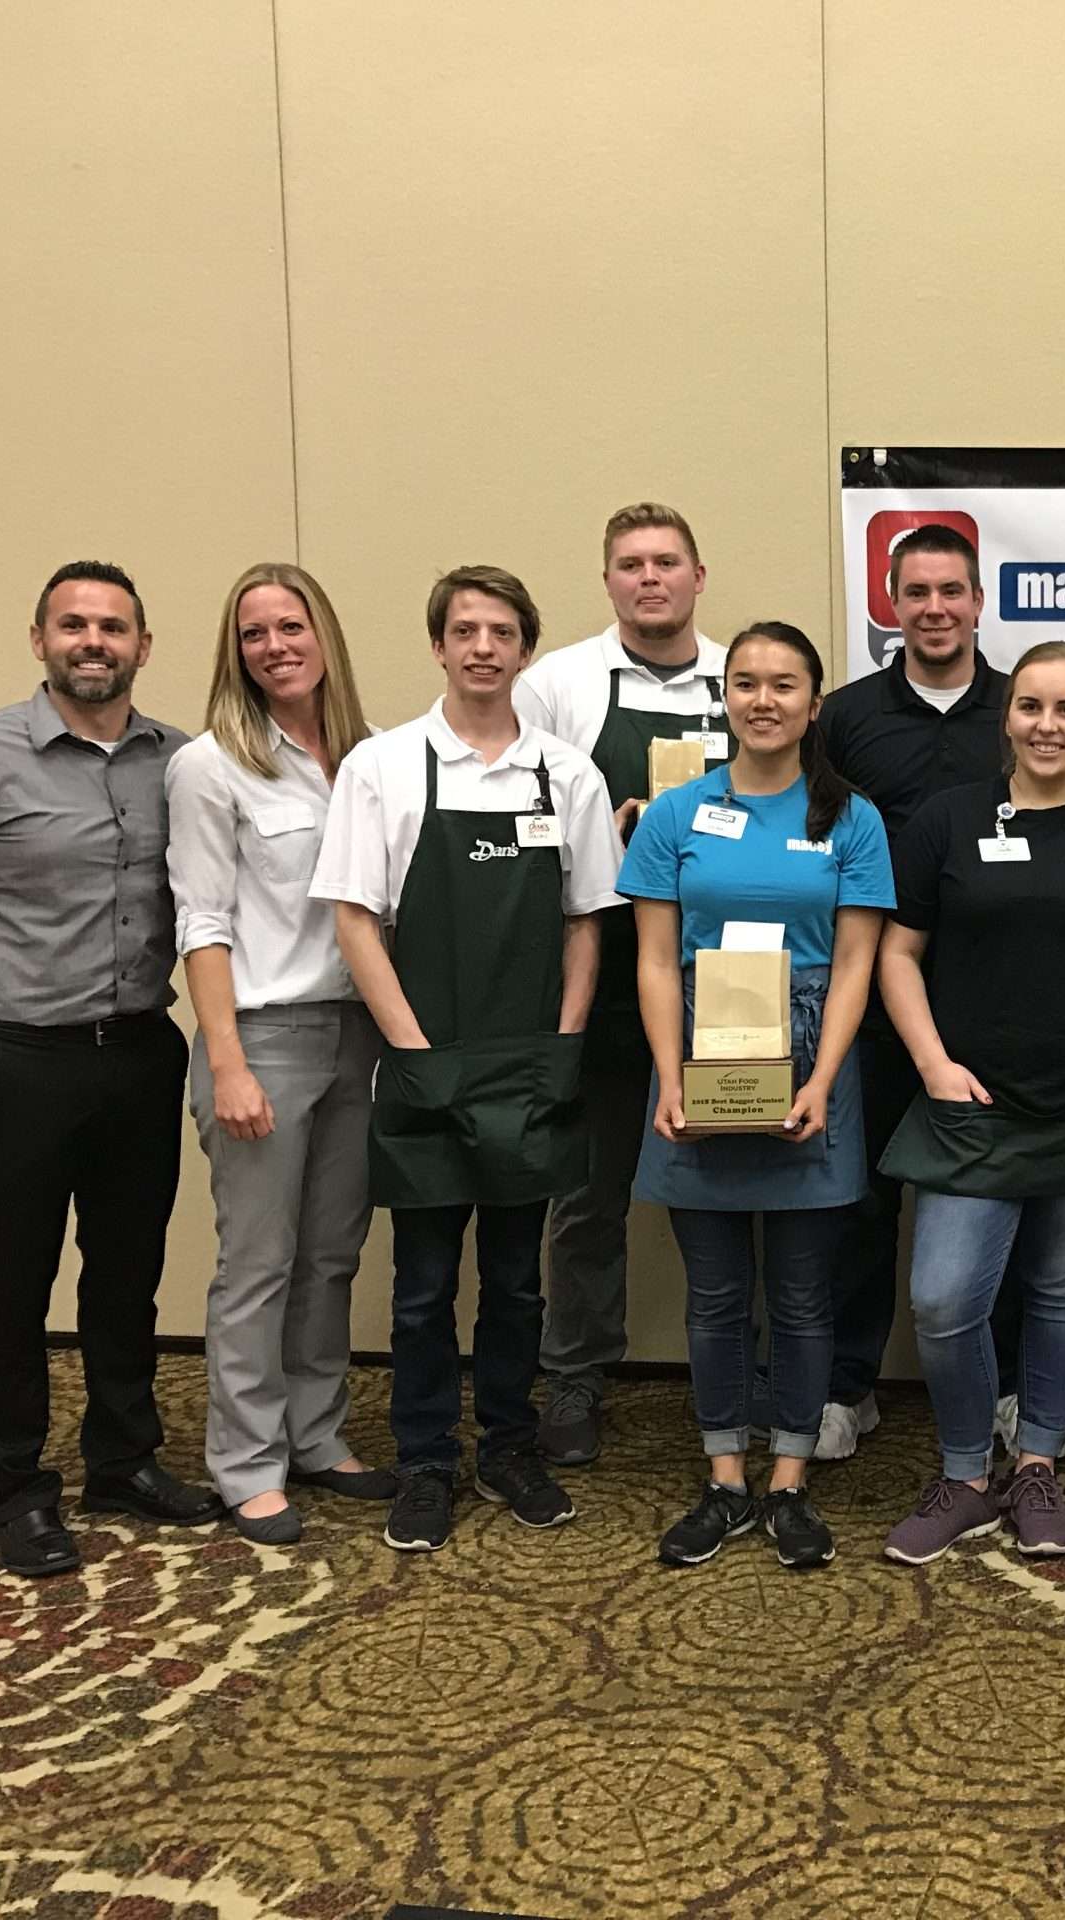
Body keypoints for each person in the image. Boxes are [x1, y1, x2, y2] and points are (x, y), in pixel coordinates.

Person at [0, 560, 221, 1577]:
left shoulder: (180, 761)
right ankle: (17, 1488)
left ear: (143, 647)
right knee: (11, 1279)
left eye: (113, 627)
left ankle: (122, 1461)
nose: (93, 642)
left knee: (128, 1274)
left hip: (138, 1053)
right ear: (39, 640)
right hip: (13, 1058)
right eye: (73, 624)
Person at [311, 565, 624, 1554]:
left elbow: (585, 922)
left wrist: (569, 1040)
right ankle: (426, 1463)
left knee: (519, 1283)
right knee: (421, 1284)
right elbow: (355, 919)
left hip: (535, 1064)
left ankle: (511, 1448)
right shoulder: (385, 765)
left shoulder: (568, 775)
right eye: (464, 630)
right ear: (439, 645)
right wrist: (412, 1048)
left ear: (525, 650)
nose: (483, 647)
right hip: (425, 1059)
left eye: (501, 632)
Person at [876, 642, 1065, 1564]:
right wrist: (929, 1062)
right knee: (942, 1300)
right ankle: (968, 1474)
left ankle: (1039, 1462)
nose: (1048, 726)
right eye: (1032, 707)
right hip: (970, 1102)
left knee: (1059, 1291)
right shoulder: (946, 818)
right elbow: (897, 952)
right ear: (1007, 715)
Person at [624, 622, 892, 1571]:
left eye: (785, 684)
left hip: (813, 1060)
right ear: (724, 699)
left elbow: (859, 959)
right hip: (698, 1055)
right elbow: (655, 958)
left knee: (805, 1293)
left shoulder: (849, 819)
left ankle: (789, 1482)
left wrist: (823, 1079)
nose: (764, 700)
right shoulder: (675, 816)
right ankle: (723, 1476)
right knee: (716, 1294)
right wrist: (667, 1073)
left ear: (815, 704)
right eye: (745, 683)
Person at [166, 563, 393, 1545]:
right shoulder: (212, 764)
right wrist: (226, 1063)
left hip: (358, 1035)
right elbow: (202, 920)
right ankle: (245, 1463)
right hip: (261, 1036)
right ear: (236, 651)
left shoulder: (369, 758)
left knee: (332, 1254)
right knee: (257, 1264)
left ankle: (317, 1435)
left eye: (289, 626)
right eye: (253, 633)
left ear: (322, 634)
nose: (274, 646)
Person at [516, 503, 731, 1468]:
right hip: (603, 974)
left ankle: (737, 1375)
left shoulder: (745, 676)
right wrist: (609, 830)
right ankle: (574, 1376)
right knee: (589, 1193)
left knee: (731, 1186)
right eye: (631, 564)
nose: (651, 579)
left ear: (698, 575)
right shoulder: (556, 682)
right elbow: (517, 816)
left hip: (729, 977)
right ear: (607, 581)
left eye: (667, 563)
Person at [813, 522, 1022, 1463]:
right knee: (858, 1196)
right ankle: (845, 1385)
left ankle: (1010, 1384)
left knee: (1003, 1187)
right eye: (917, 593)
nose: (936, 609)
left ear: (980, 602)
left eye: (953, 592)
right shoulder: (847, 717)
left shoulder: (1022, 710)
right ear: (890, 605)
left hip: (995, 997)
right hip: (870, 994)